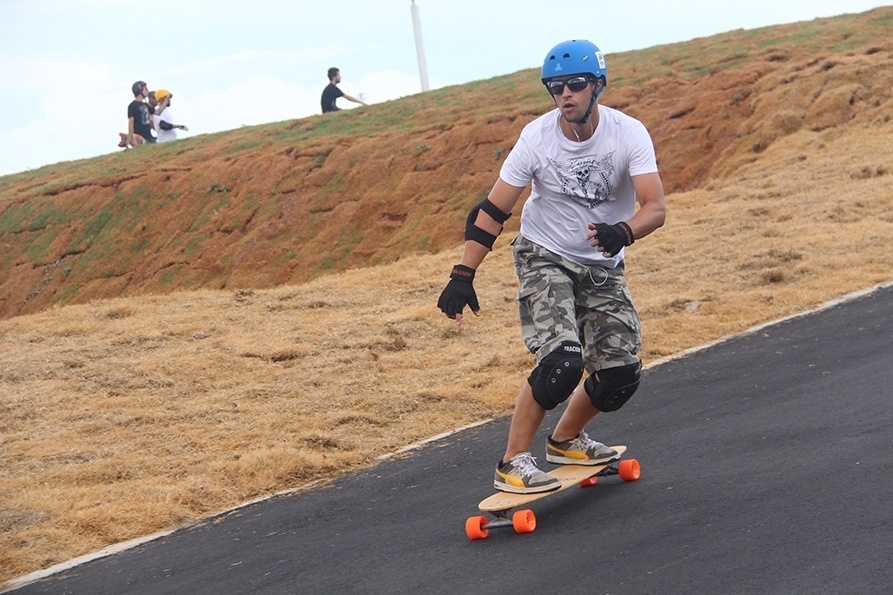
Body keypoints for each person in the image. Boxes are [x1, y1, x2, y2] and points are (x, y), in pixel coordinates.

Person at [436, 39, 667, 494]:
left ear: (597, 85)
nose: (566, 95)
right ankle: (511, 461)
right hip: (544, 253)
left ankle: (564, 441)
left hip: (601, 262)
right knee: (562, 362)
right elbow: (491, 211)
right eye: (556, 87)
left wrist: (625, 231)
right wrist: (463, 274)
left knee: (619, 375)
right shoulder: (537, 138)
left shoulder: (628, 133)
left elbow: (655, 206)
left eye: (576, 85)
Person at [127, 81, 156, 147]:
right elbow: (131, 122)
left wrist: (165, 100)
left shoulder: (145, 105)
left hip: (149, 135)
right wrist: (131, 138)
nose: (147, 91)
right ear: (140, 91)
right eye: (146, 89)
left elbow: (157, 113)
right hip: (139, 137)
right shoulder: (132, 106)